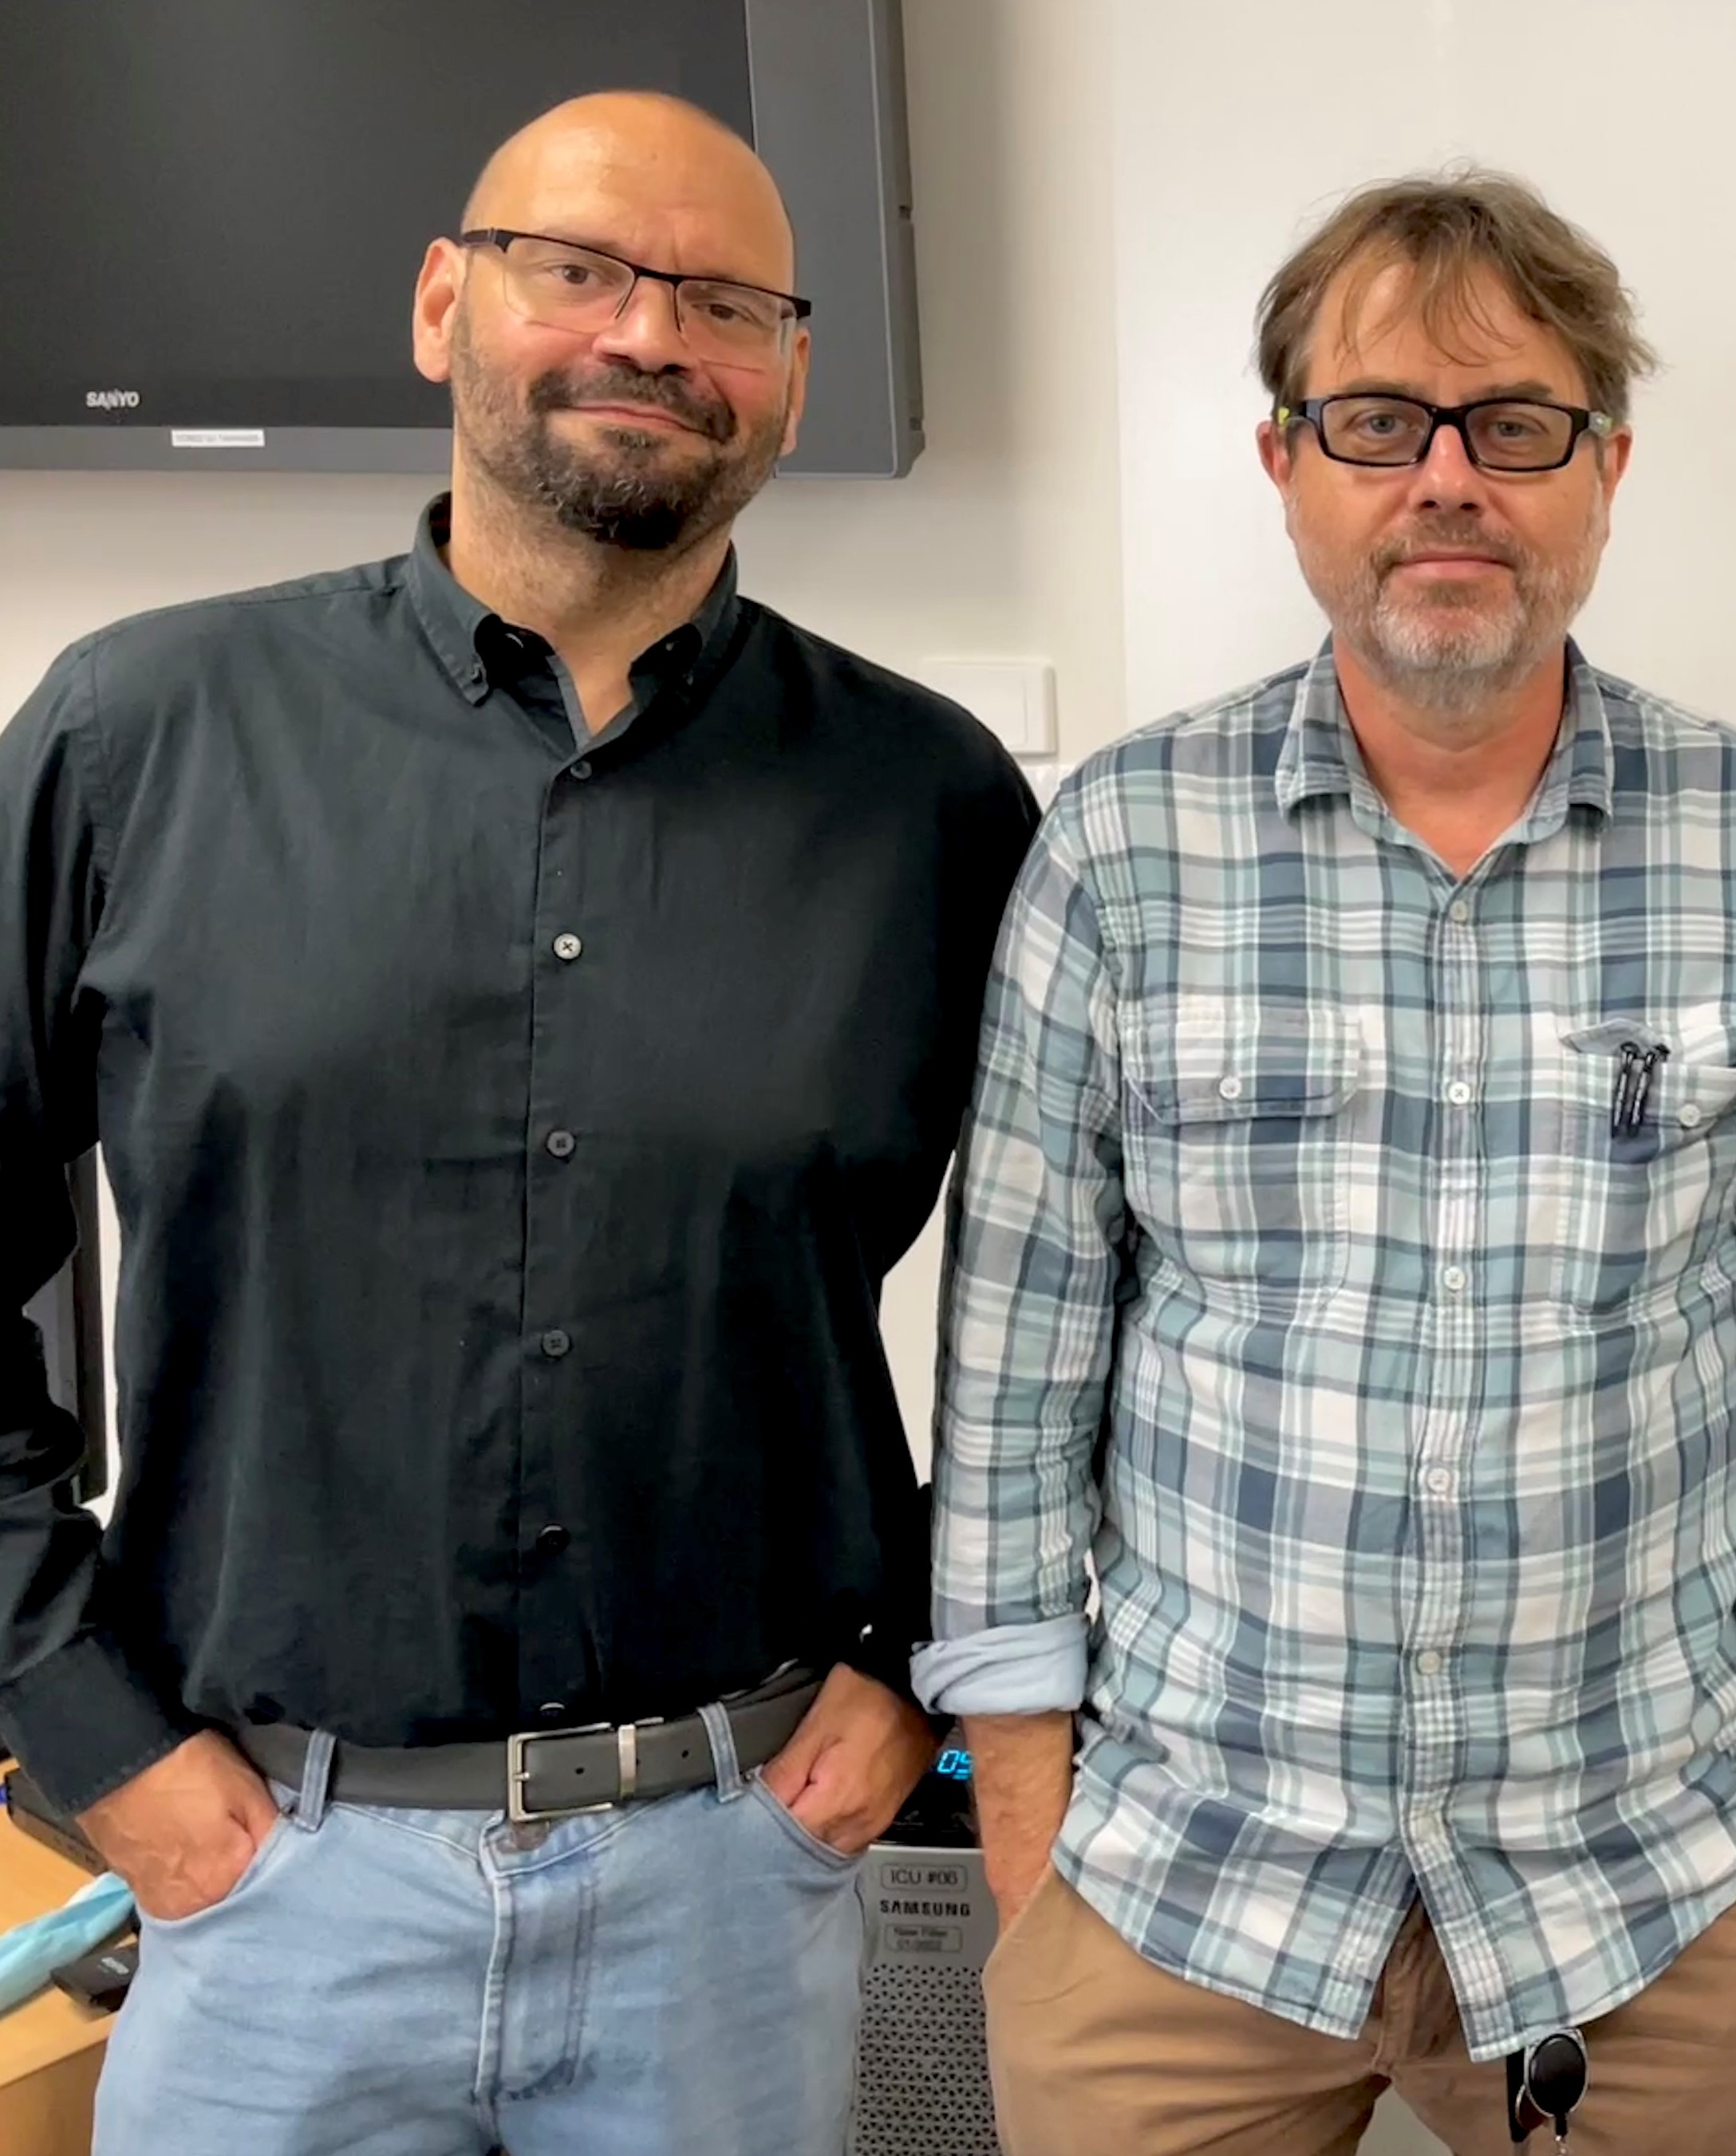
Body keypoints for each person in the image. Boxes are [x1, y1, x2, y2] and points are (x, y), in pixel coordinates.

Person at [0, 92, 1039, 2154]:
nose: (653, 333)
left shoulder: (931, 810)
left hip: (737, 1897)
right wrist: (81, 1721)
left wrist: (919, 1658)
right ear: (439, 306)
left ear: (791, 374)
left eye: (725, 297)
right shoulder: (137, 737)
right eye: (584, 269)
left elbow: (1074, 1311)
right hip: (265, 1885)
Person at [920, 168, 1736, 2156]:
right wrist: (1034, 1852)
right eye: (1378, 422)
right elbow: (1014, 1389)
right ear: (1285, 462)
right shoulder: (1123, 850)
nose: (1447, 480)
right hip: (1173, 1893)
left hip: (1640, 1902)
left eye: (1516, 425)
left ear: (1604, 466)